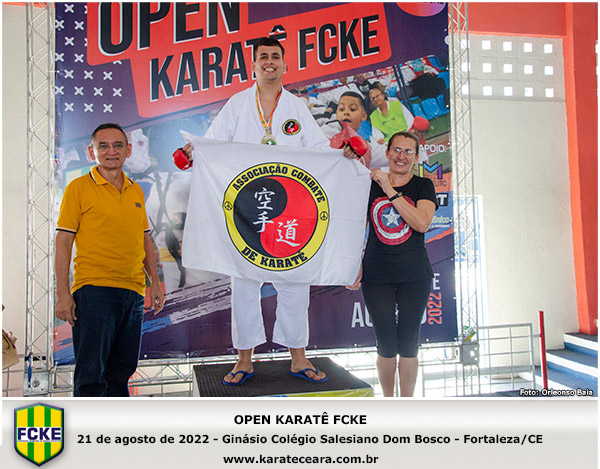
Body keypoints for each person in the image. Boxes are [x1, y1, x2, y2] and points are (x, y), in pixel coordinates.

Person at [177, 37, 356, 386]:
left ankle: (298, 358)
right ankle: (244, 359)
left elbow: (318, 150)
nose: (269, 62)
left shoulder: (296, 107)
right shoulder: (238, 104)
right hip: (247, 209)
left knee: (295, 282)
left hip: (291, 207)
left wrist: (341, 155)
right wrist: (194, 150)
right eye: (263, 57)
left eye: (275, 56)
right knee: (243, 283)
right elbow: (213, 142)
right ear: (254, 66)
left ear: (285, 65)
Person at [55, 123, 165, 397]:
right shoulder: (78, 188)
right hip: (94, 291)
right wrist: (63, 294)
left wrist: (154, 283)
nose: (111, 151)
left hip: (133, 292)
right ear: (91, 152)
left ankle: (116, 424)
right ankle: (89, 425)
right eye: (103, 146)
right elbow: (64, 241)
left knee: (121, 373)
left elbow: (144, 240)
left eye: (117, 145)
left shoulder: (135, 190)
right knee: (91, 376)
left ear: (129, 150)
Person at [347, 131, 437, 397]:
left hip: (415, 275)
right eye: (397, 150)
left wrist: (389, 189)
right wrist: (354, 264)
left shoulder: (423, 185)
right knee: (385, 344)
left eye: (408, 152)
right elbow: (357, 229)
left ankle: (406, 405)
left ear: (416, 157)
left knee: (409, 344)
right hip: (377, 275)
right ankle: (388, 402)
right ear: (386, 153)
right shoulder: (369, 184)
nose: (402, 156)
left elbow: (421, 223)